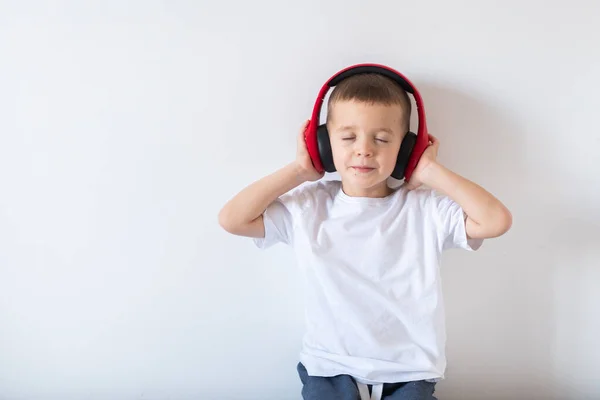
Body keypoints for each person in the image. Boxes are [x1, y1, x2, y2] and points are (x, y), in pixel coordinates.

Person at [218, 68, 512, 400]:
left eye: (382, 139)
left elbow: (495, 221)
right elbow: (233, 219)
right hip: (328, 368)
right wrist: (300, 170)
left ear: (406, 150)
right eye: (347, 137)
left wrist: (429, 171)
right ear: (323, 144)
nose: (364, 150)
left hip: (410, 373)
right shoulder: (307, 207)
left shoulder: (424, 210)